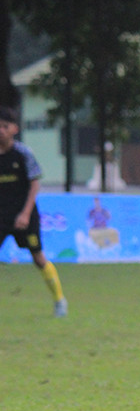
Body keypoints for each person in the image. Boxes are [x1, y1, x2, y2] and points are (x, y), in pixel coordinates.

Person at [0, 105, 68, 317]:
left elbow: (34, 184)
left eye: (5, 126)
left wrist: (25, 214)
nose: (1, 130)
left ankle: (59, 300)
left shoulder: (23, 154)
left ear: (15, 129)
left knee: (38, 258)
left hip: (24, 214)